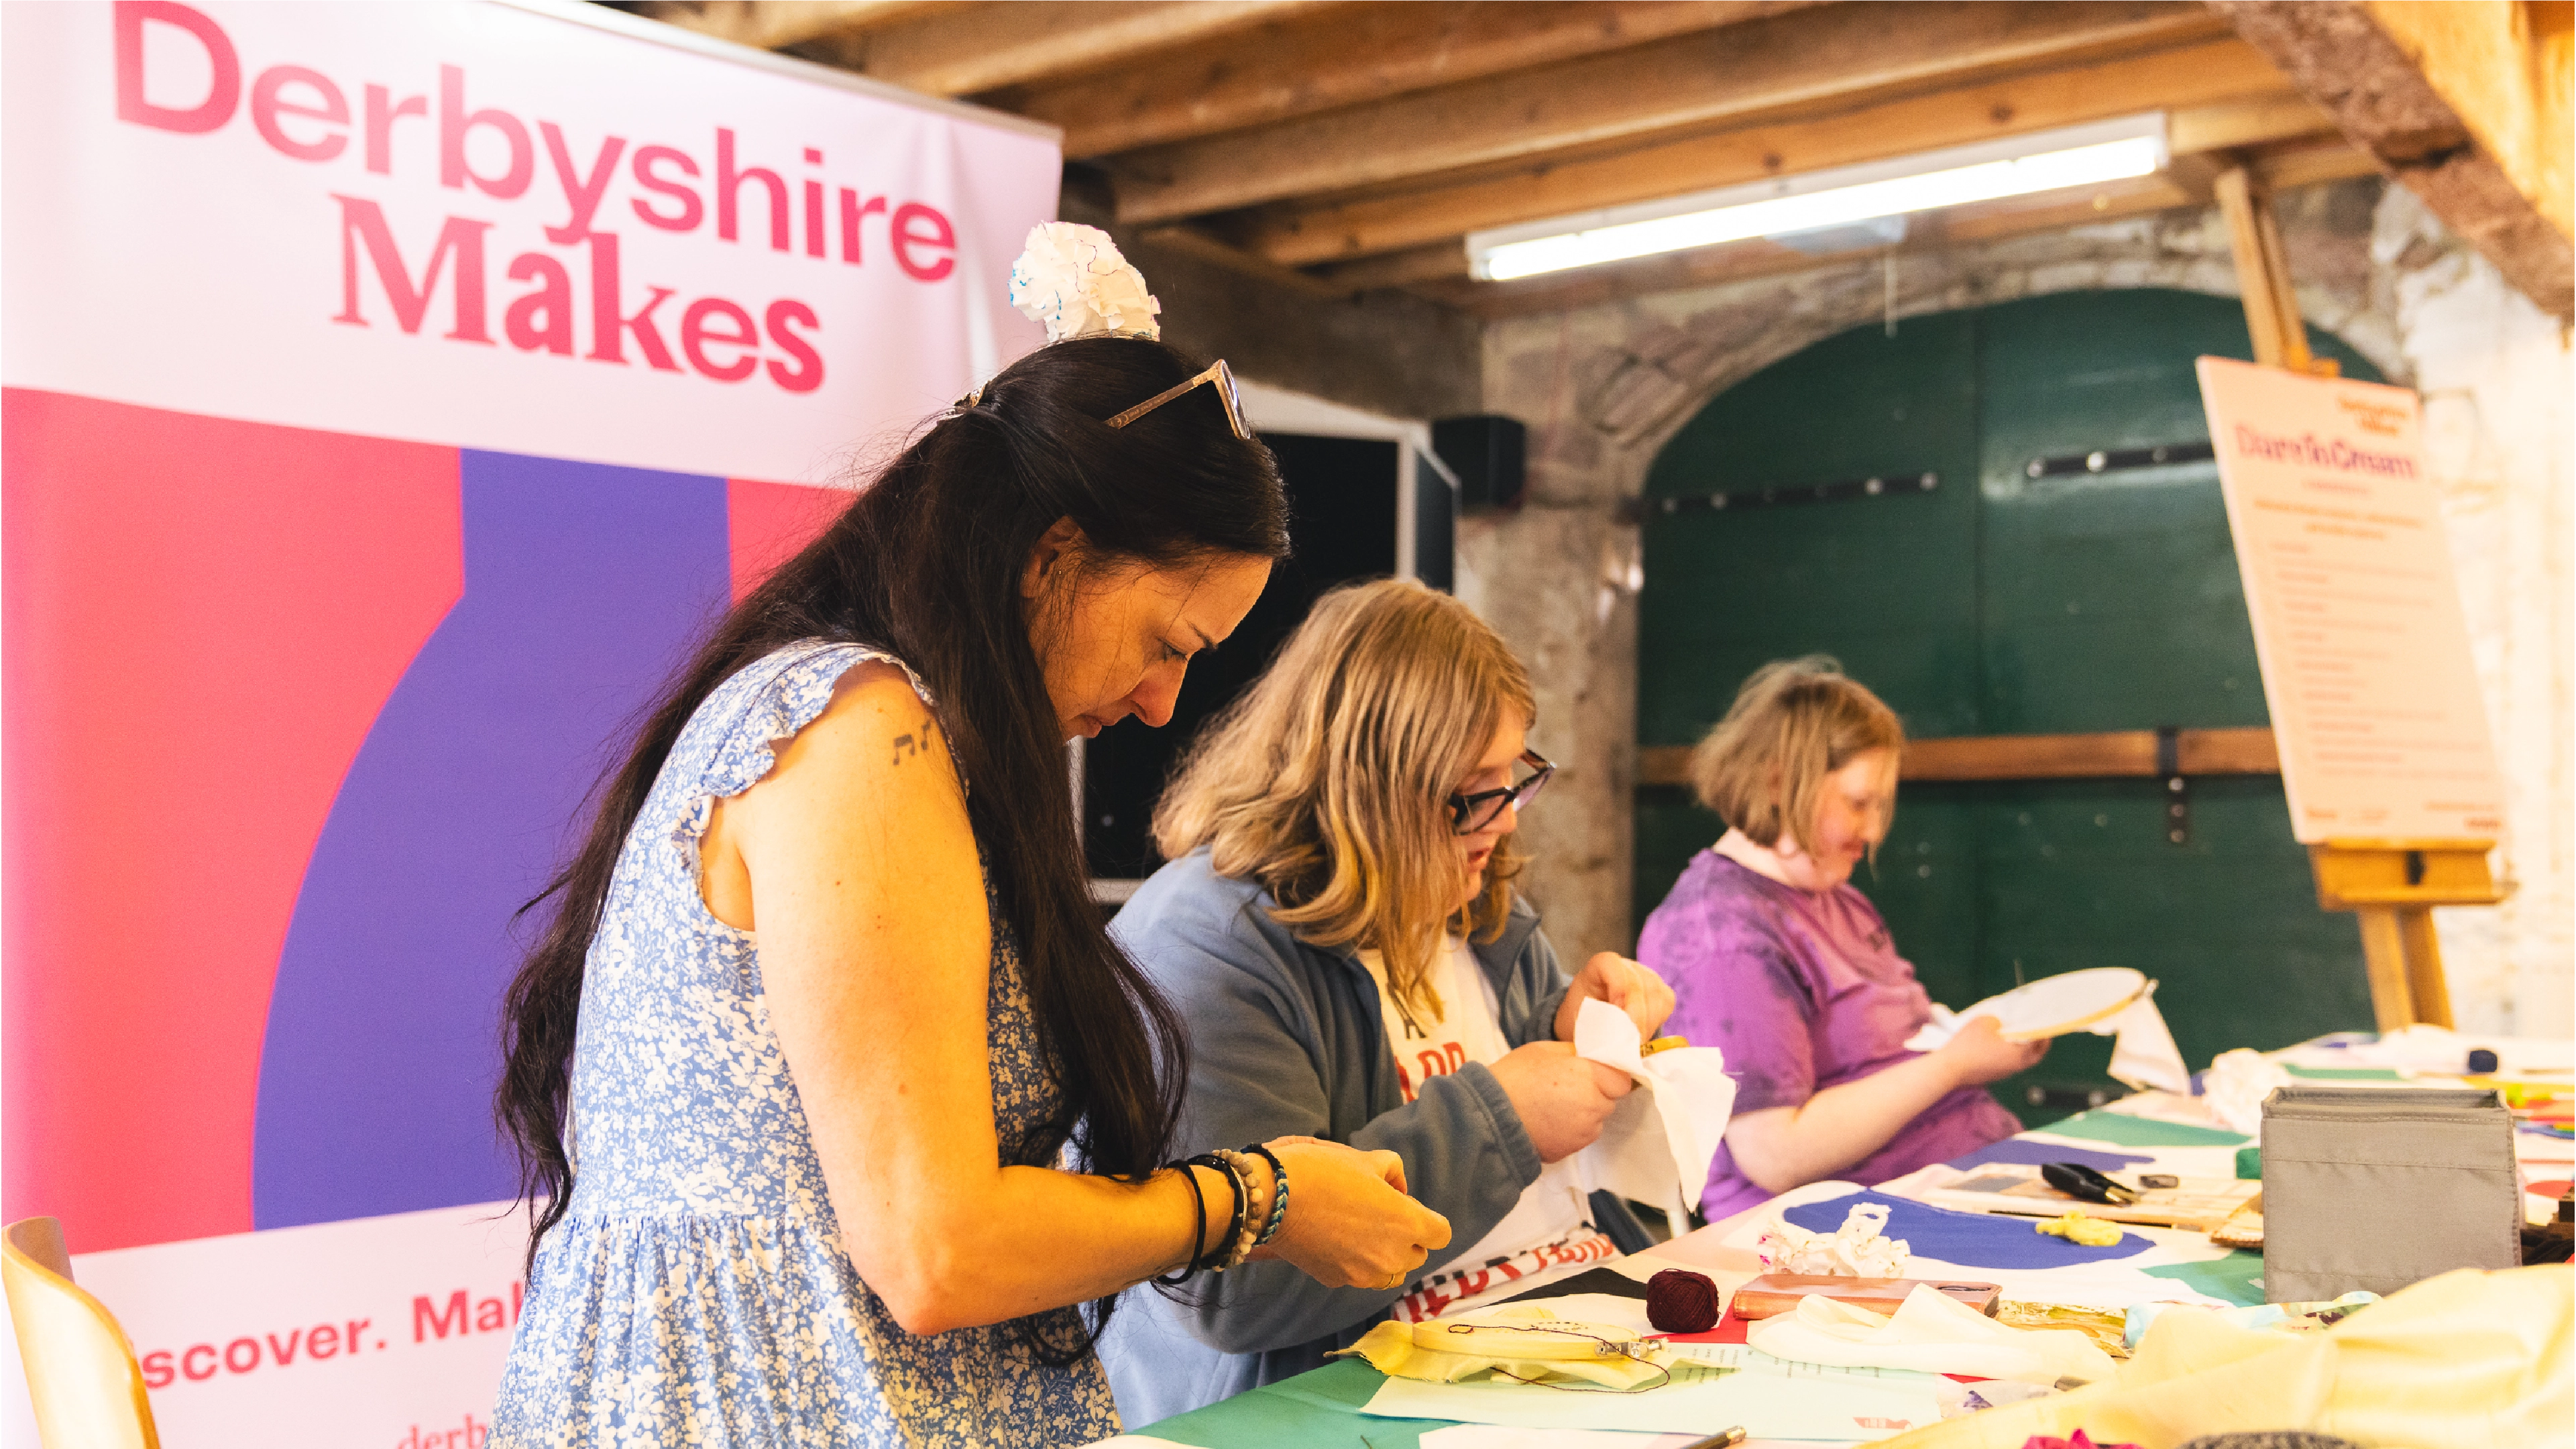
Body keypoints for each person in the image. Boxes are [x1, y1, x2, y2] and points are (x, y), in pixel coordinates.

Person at [487, 230, 1449, 1448]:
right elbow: (937, 1250)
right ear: (1055, 555)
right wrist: (1258, 1195)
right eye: (1170, 643)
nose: (1161, 705)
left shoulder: (867, 722)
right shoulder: (863, 736)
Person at [1098, 578, 1677, 1424]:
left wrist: (1573, 1023)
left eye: (1514, 775)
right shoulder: (1210, 941)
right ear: (1367, 788)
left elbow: (1537, 1093)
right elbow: (1236, 1292)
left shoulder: (1472, 897)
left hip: (1567, 1337)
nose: (1507, 820)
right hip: (1344, 1397)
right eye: (1474, 790)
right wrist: (1503, 1119)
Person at [1636, 657, 2044, 1224]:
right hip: (1842, 1228)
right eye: (1858, 802)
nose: (1874, 830)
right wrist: (1954, 1064)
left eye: (1880, 805)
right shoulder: (1724, 936)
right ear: (1778, 782)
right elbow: (1775, 1154)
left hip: (1956, 1177)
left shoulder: (1830, 890)